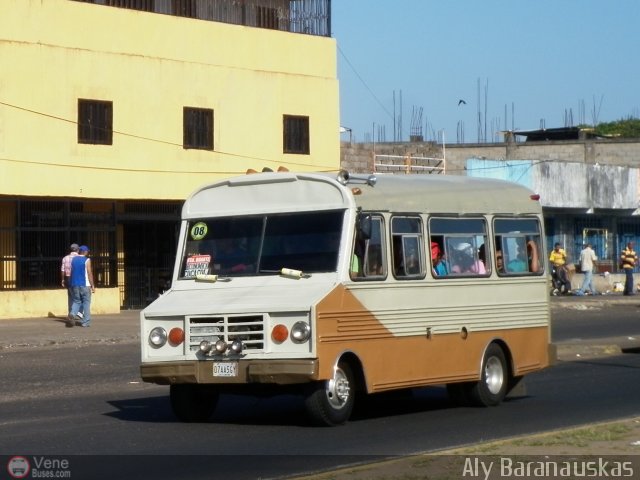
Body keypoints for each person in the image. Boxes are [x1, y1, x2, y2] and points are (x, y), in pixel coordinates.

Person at [68, 245, 95, 327]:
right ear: (85, 252)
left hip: (74, 284)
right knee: (86, 303)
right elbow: (89, 273)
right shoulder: (87, 260)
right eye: (87, 251)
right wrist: (92, 285)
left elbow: (71, 272)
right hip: (85, 284)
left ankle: (72, 313)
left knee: (77, 301)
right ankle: (85, 322)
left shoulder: (73, 259)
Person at [60, 243, 82, 318]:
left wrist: (63, 279)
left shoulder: (65, 258)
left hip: (68, 278)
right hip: (78, 278)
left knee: (70, 296)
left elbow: (63, 270)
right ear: (78, 250)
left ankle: (71, 313)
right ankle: (79, 312)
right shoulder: (80, 258)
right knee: (79, 295)